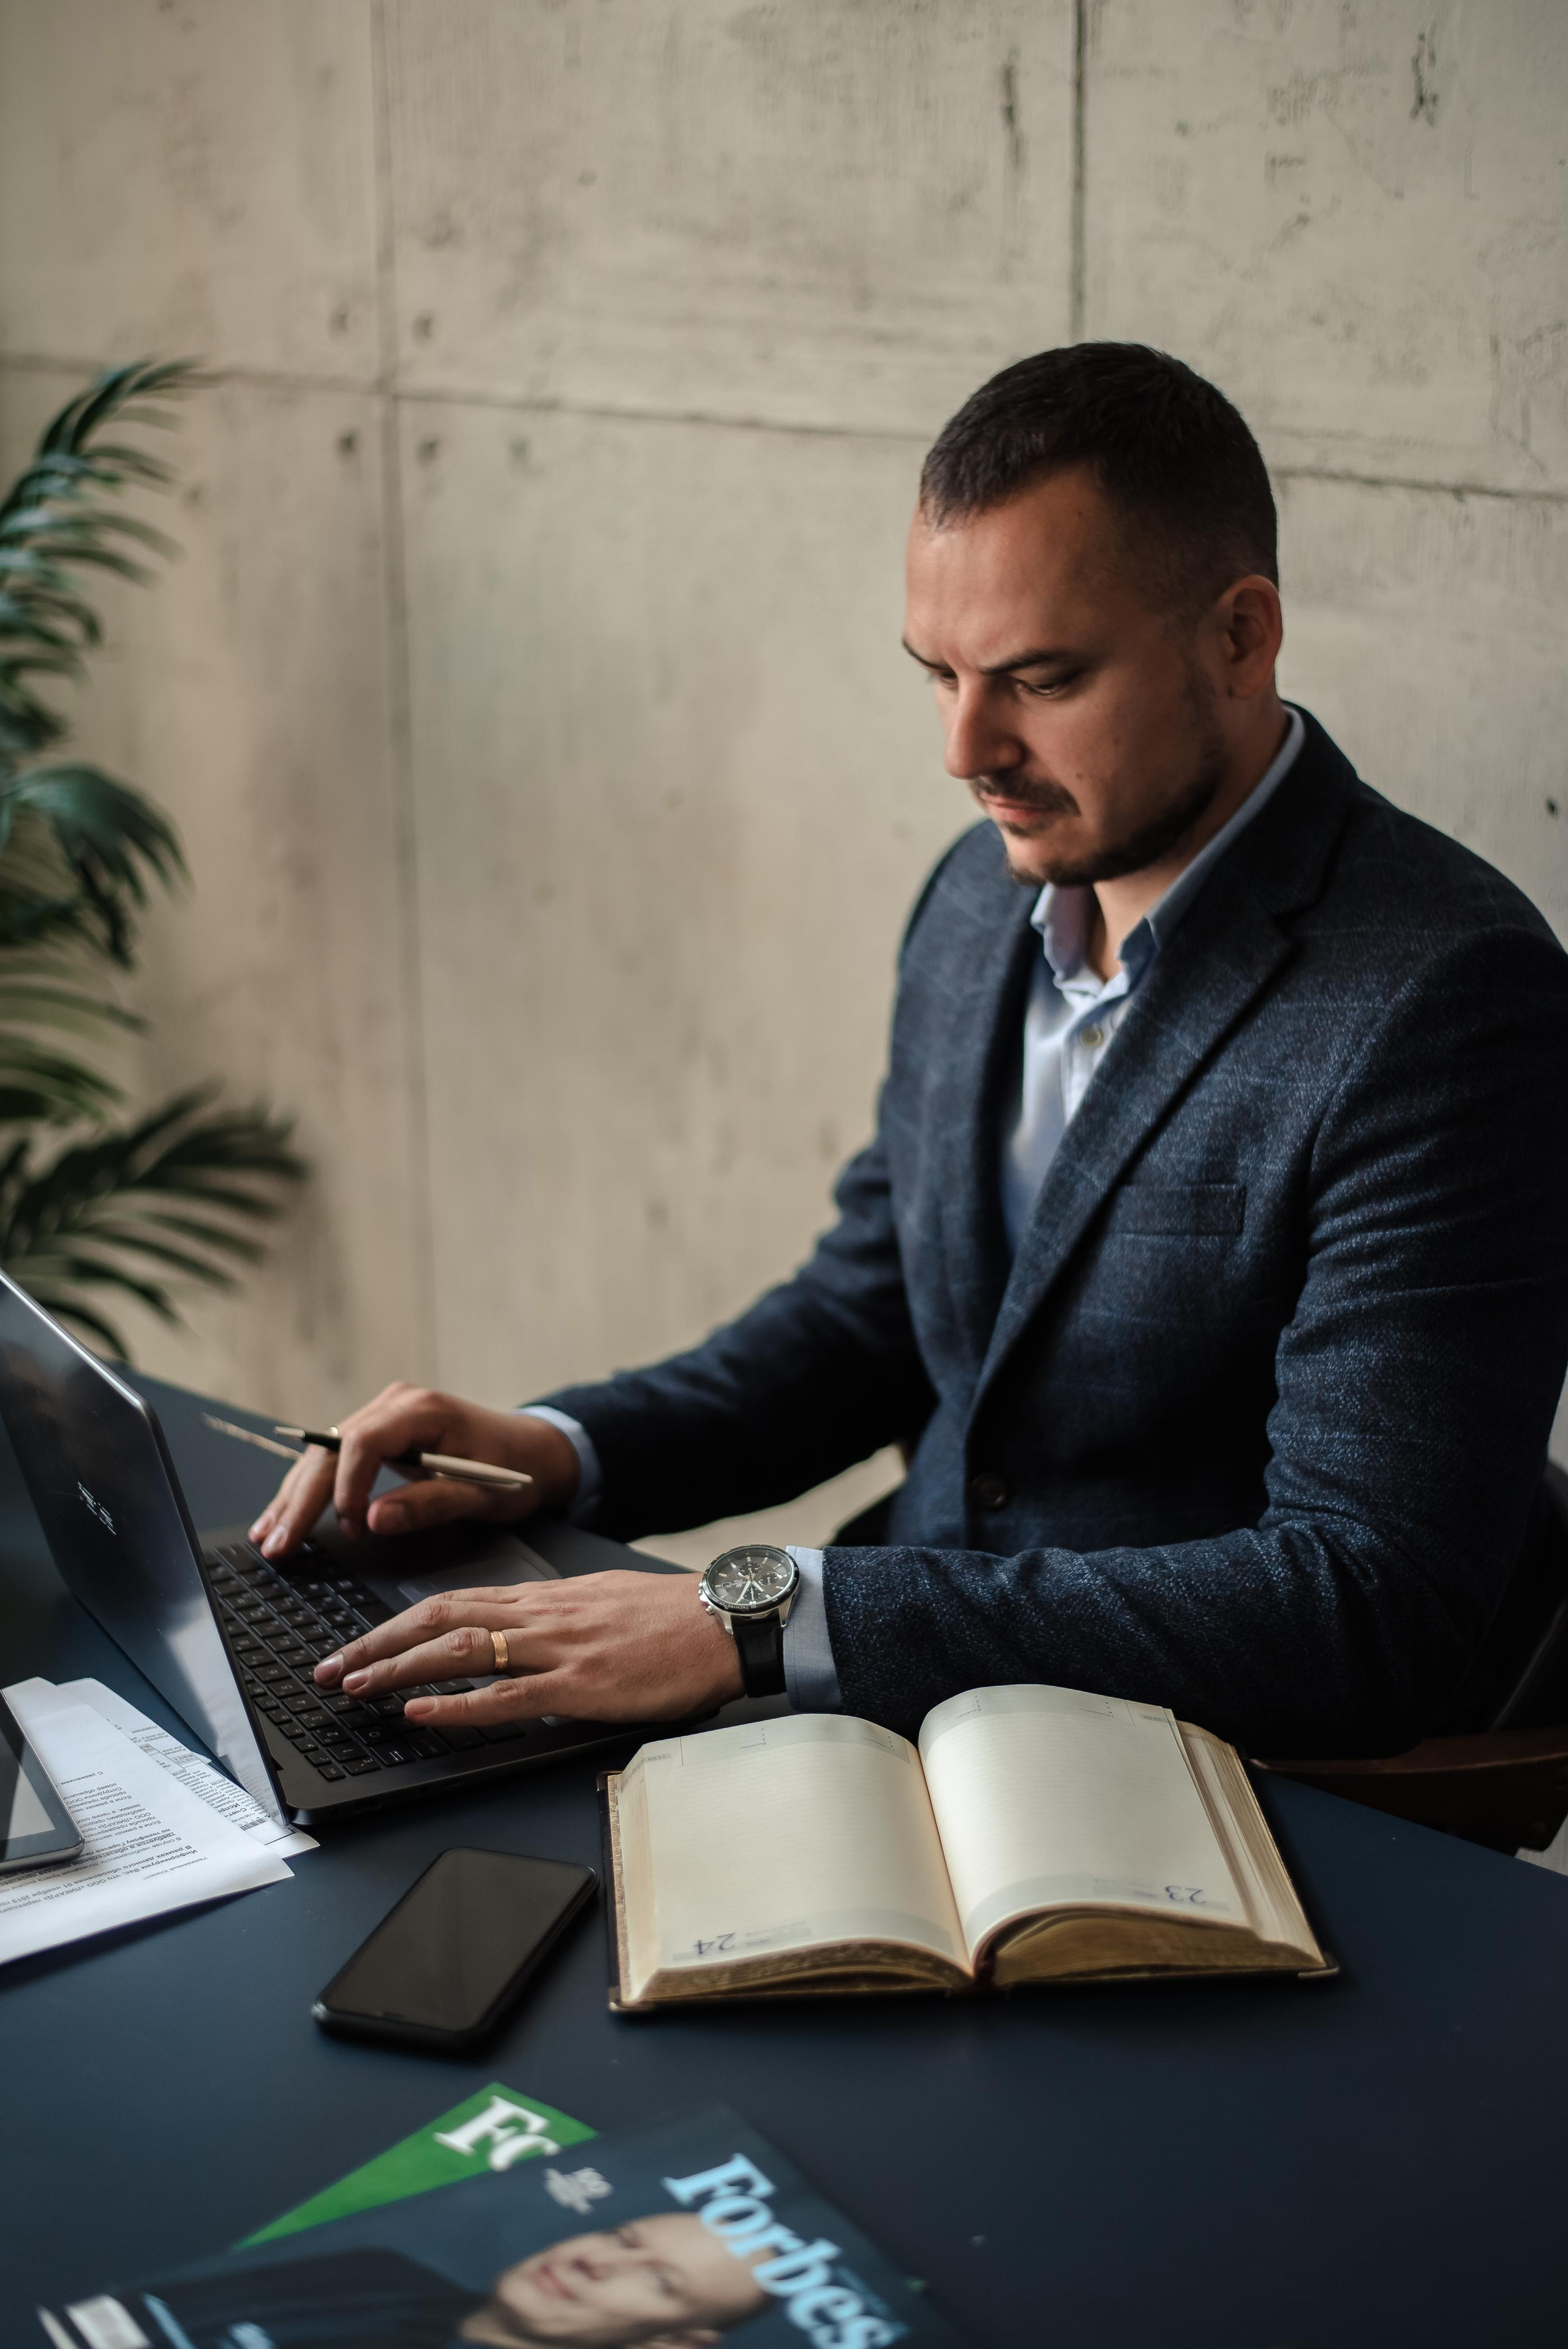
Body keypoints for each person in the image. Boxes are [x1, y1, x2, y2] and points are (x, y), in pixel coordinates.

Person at [254, 342, 1568, 1759]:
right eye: (936, 674)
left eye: (1038, 679)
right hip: (896, 1703)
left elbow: (1362, 1602)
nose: (963, 748)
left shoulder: (1445, 1002)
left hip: (1204, 1778)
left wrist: (761, 1621)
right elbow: (873, 1314)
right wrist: (563, 1451)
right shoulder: (975, 900)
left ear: (1239, 639)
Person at [85, 2213, 769, 2348]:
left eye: (661, 2282)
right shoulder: (373, 2272)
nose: (600, 2261)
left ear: (674, 2344)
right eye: (623, 2238)